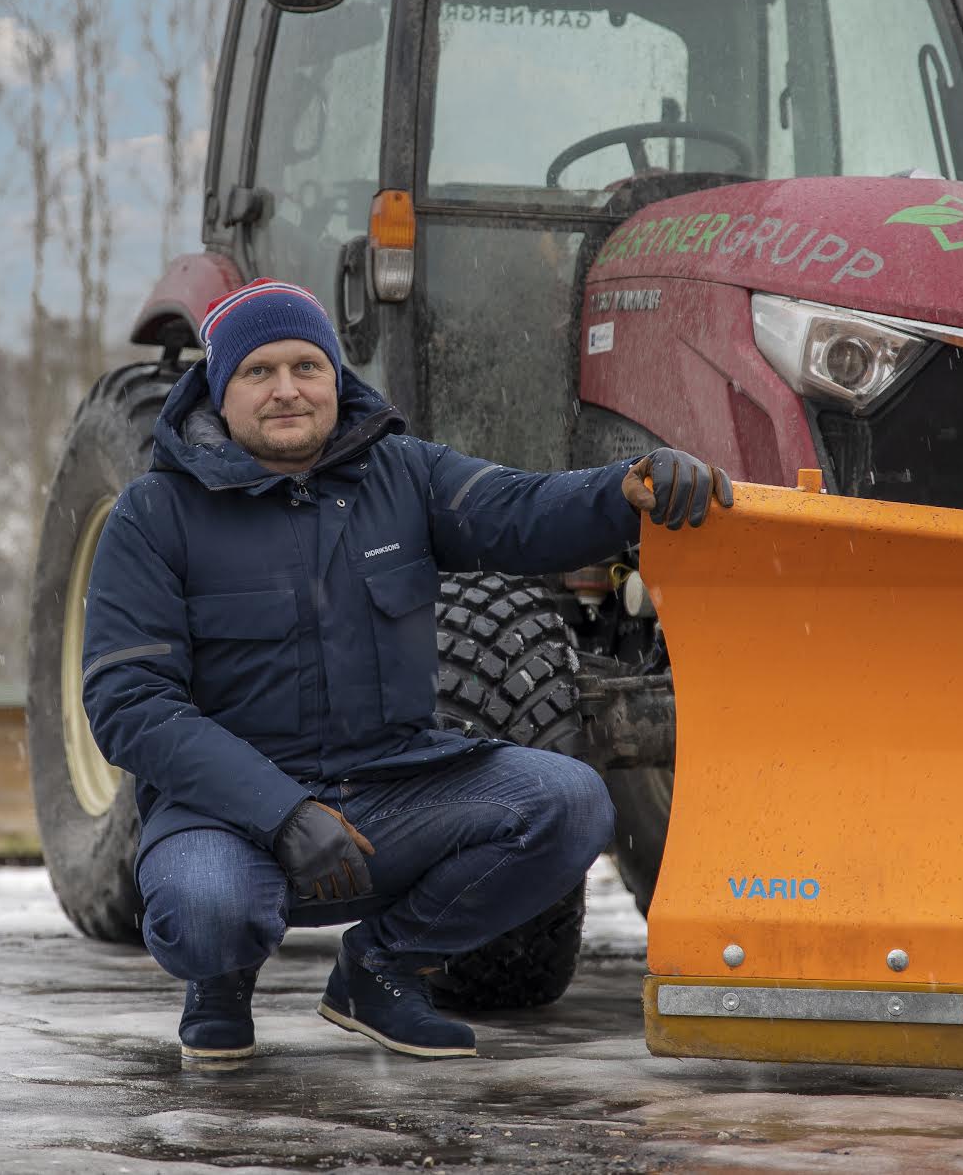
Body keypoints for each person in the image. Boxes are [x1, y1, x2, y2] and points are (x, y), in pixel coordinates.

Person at [81, 278, 730, 1062]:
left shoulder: (403, 474)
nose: (287, 390)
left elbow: (517, 510)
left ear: (335, 377)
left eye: (306, 367)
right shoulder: (154, 515)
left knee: (567, 802)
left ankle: (382, 970)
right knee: (208, 906)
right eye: (259, 372)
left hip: (388, 789)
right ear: (220, 390)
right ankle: (221, 978)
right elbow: (130, 703)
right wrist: (282, 813)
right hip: (226, 811)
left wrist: (625, 490)